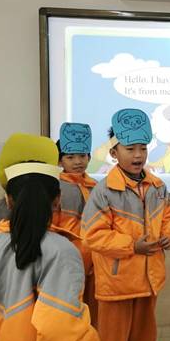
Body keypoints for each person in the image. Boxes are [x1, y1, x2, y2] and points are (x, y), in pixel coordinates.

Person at [81, 108, 170, 341]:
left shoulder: (157, 186)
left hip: (149, 279)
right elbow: (92, 235)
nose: (138, 155)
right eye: (130, 149)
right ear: (114, 153)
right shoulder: (104, 191)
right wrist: (132, 246)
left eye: (143, 148)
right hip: (117, 285)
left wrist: (169, 234)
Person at [0, 133, 99, 341]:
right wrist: (93, 339)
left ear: (8, 201)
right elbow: (60, 335)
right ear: (57, 200)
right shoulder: (62, 251)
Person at [54, 122, 99, 325]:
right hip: (67, 258)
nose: (78, 161)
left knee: (92, 309)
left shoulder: (97, 187)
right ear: (60, 160)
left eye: (82, 155)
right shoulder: (55, 187)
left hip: (95, 258)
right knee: (69, 308)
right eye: (70, 157)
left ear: (89, 157)